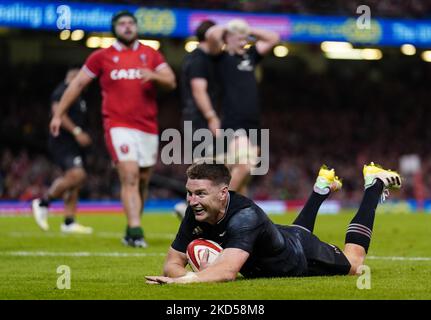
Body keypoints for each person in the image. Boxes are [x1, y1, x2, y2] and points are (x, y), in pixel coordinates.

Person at [145, 162, 401, 284]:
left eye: (200, 194)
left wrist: (185, 281)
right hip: (283, 239)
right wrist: (186, 274)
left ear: (223, 193)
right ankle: (321, 188)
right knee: (296, 233)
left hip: (301, 257)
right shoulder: (196, 210)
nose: (192, 201)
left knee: (355, 263)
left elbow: (227, 272)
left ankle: (374, 183)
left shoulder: (245, 216)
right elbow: (172, 262)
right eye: (190, 193)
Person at [49, 11, 176, 247]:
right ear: (114, 28)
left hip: (147, 125)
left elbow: (171, 80)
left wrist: (154, 76)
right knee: (129, 175)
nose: (127, 27)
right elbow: (77, 84)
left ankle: (131, 229)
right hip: (118, 124)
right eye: (122, 24)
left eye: (131, 23)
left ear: (136, 27)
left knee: (143, 180)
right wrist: (59, 114)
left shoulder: (151, 54)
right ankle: (136, 231)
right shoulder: (101, 56)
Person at [205, 19, 279, 196]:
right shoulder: (221, 58)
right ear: (228, 38)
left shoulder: (250, 56)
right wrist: (229, 27)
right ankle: (218, 204)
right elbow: (211, 36)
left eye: (245, 39)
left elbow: (273, 38)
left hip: (253, 122)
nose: (244, 42)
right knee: (244, 166)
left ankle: (237, 218)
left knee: (245, 175)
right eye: (239, 39)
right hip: (233, 120)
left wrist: (247, 30)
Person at [32, 66, 93, 234]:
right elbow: (57, 113)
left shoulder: (79, 95)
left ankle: (69, 221)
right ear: (75, 76)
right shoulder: (63, 90)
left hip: (73, 143)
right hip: (63, 141)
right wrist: (77, 132)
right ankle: (43, 202)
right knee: (77, 175)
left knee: (75, 181)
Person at [174, 20, 219, 219]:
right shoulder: (199, 59)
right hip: (199, 119)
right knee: (203, 168)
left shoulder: (199, 58)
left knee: (207, 167)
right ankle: (189, 209)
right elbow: (198, 91)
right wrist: (211, 117)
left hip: (195, 118)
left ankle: (192, 209)